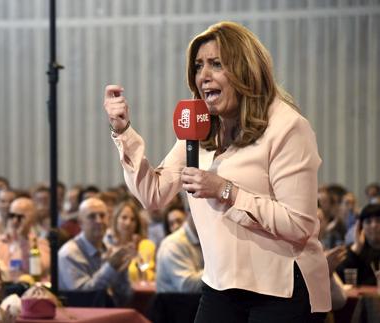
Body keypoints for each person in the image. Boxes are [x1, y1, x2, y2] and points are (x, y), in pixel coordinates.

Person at [103, 21, 330, 321]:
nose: (203, 76)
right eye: (198, 66)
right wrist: (124, 131)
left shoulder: (287, 127)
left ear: (245, 69)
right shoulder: (198, 128)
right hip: (220, 284)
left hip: (283, 287)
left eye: (216, 64)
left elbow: (300, 225)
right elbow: (153, 195)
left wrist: (227, 192)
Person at [58, 198, 135, 306]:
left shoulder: (109, 249)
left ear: (108, 220)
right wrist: (111, 268)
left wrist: (122, 272)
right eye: (92, 217)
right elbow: (84, 297)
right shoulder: (69, 253)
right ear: (80, 222)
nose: (99, 221)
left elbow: (125, 298)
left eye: (102, 216)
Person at [106, 200, 156, 283]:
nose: (128, 223)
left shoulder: (146, 245)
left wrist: (136, 256)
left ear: (137, 224)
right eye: (124, 217)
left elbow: (148, 278)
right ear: (116, 220)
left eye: (133, 219)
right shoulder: (107, 244)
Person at [156, 208, 204, 293]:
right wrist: (219, 270)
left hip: (195, 303)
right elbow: (187, 286)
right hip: (177, 304)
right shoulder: (172, 244)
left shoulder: (205, 239)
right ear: (190, 213)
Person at [336, 203, 380, 285]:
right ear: (360, 227)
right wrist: (355, 250)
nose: (374, 225)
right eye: (368, 221)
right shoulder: (354, 250)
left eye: (378, 220)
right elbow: (338, 279)